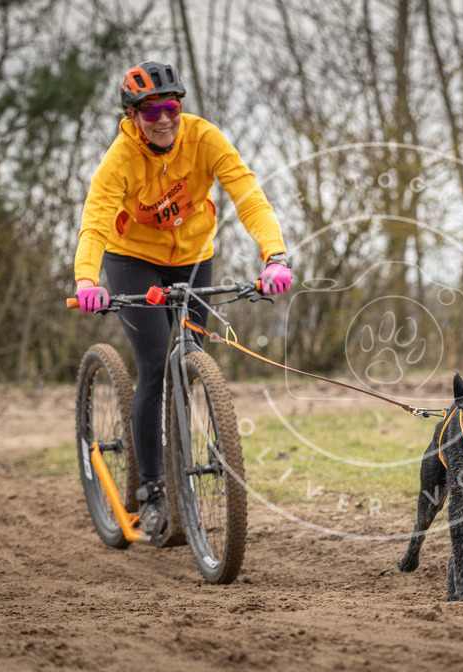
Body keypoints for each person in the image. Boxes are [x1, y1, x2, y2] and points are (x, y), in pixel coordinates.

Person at [73, 61, 291, 538]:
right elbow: (94, 223)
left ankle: (187, 466)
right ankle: (151, 490)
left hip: (194, 257)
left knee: (189, 358)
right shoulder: (119, 161)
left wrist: (275, 256)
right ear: (132, 116)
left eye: (171, 107)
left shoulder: (203, 138)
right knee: (154, 364)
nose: (164, 119)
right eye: (151, 112)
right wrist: (87, 282)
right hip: (131, 259)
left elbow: (247, 194)